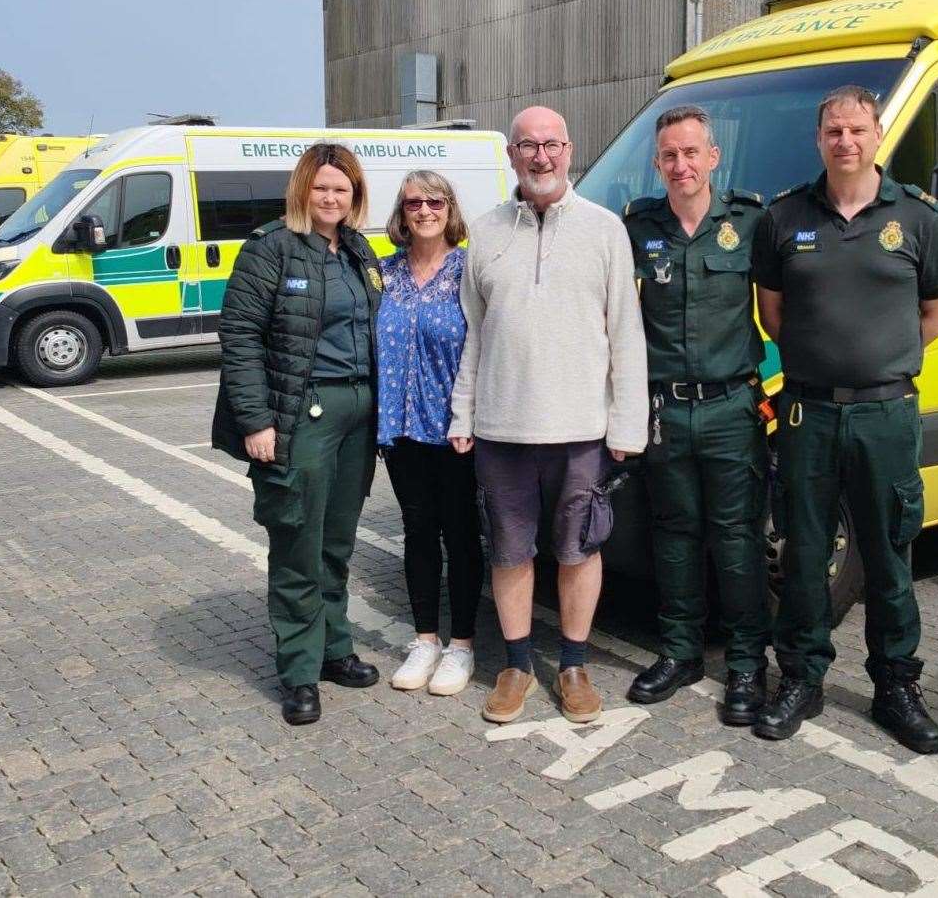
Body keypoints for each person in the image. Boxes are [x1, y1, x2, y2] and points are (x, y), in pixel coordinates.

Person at [750, 85, 938, 750]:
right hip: (807, 411)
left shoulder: (920, 217)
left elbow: (936, 315)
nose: (845, 141)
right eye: (833, 131)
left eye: (857, 130)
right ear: (819, 139)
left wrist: (878, 361)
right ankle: (800, 678)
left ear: (876, 136)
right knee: (805, 552)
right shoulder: (782, 218)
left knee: (888, 555)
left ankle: (895, 684)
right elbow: (771, 315)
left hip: (885, 414)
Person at [448, 105, 647, 726]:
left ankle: (574, 664)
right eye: (528, 145)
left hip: (582, 431)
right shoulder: (481, 234)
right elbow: (472, 337)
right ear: (511, 154)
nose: (541, 156)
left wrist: (627, 424)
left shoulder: (606, 230)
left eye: (552, 145)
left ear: (570, 150)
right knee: (509, 554)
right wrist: (463, 414)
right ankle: (514, 666)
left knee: (579, 552)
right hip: (501, 430)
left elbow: (626, 336)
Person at [212, 143, 384, 726]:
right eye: (322, 188)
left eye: (343, 189)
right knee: (296, 542)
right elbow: (239, 337)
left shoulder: (359, 251)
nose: (332, 198)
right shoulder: (271, 249)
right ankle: (299, 670)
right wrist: (256, 421)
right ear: (302, 191)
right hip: (300, 413)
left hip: (359, 412)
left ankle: (335, 648)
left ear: (355, 196)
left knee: (336, 541)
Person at [622, 105, 771, 724]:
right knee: (674, 535)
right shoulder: (637, 227)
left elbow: (784, 306)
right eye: (669, 156)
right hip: (666, 412)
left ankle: (745, 665)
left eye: (691, 153)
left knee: (737, 540)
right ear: (657, 163)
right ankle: (681, 652)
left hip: (733, 406)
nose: (680, 165)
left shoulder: (751, 222)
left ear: (713, 157)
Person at [377, 171, 483, 697]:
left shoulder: (468, 270)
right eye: (413, 202)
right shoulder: (384, 273)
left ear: (449, 207)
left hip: (455, 429)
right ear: (401, 211)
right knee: (417, 531)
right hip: (400, 430)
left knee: (461, 535)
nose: (424, 210)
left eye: (434, 200)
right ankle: (426, 639)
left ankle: (462, 644)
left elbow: (486, 343)